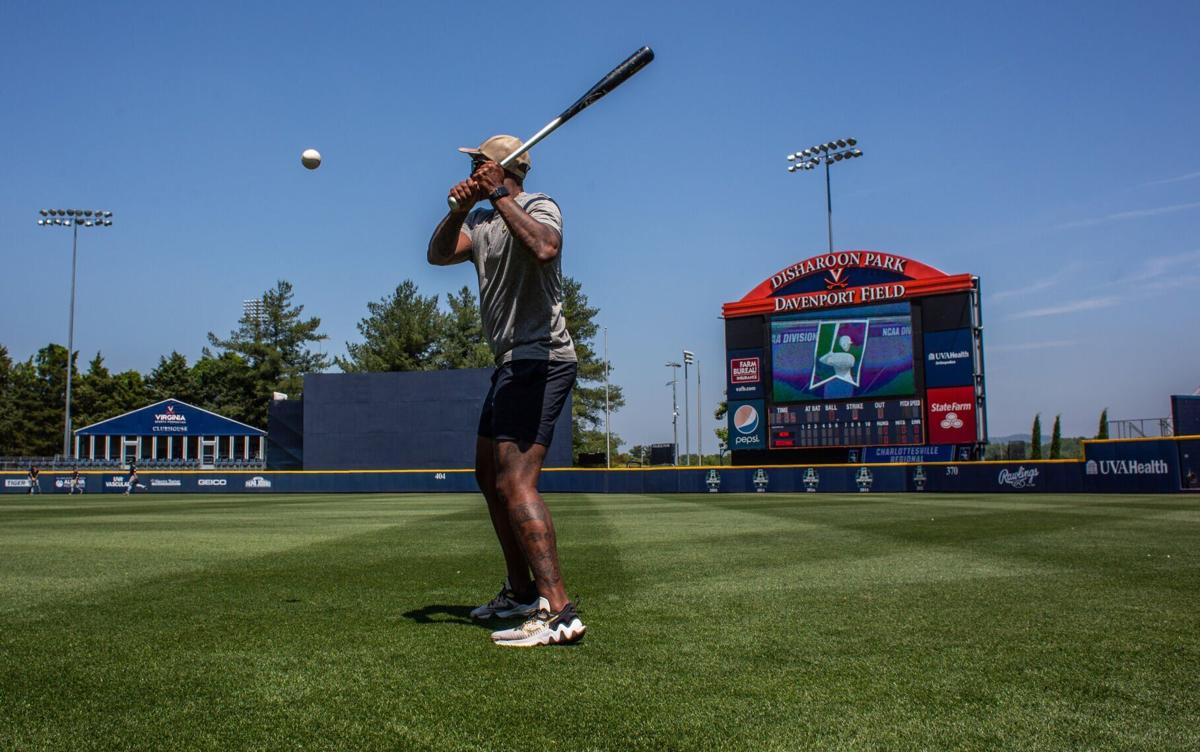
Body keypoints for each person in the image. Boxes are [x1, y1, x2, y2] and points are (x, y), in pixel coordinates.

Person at [427, 134, 585, 648]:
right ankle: (520, 592)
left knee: (517, 482)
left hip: (542, 357)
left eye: (477, 163)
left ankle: (557, 610)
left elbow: (544, 247)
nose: (471, 168)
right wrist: (460, 208)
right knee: (488, 475)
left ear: (502, 168)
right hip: (510, 362)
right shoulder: (481, 220)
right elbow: (436, 255)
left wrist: (498, 195)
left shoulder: (539, 206)